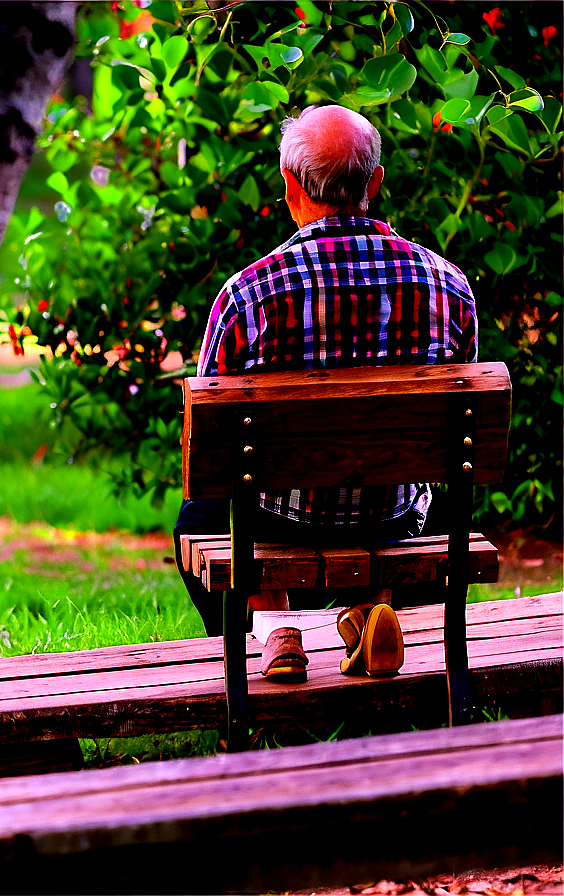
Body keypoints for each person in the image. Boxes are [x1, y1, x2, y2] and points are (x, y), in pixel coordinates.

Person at [174, 104, 478, 643]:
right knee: (421, 496)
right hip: (396, 517)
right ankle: (372, 616)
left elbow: (213, 451)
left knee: (199, 517)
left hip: (279, 522)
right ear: (375, 183)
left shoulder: (248, 296)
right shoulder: (448, 287)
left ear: (290, 186)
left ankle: (275, 627)